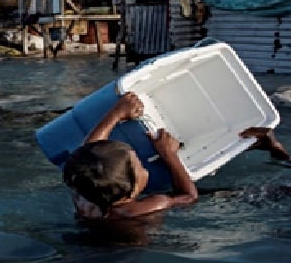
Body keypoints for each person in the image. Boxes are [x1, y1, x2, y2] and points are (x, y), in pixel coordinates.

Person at [61, 92, 198, 222]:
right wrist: (169, 154)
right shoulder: (147, 208)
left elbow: (88, 154)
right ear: (132, 190)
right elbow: (189, 197)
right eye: (141, 166)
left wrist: (116, 114)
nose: (145, 169)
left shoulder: (84, 196)